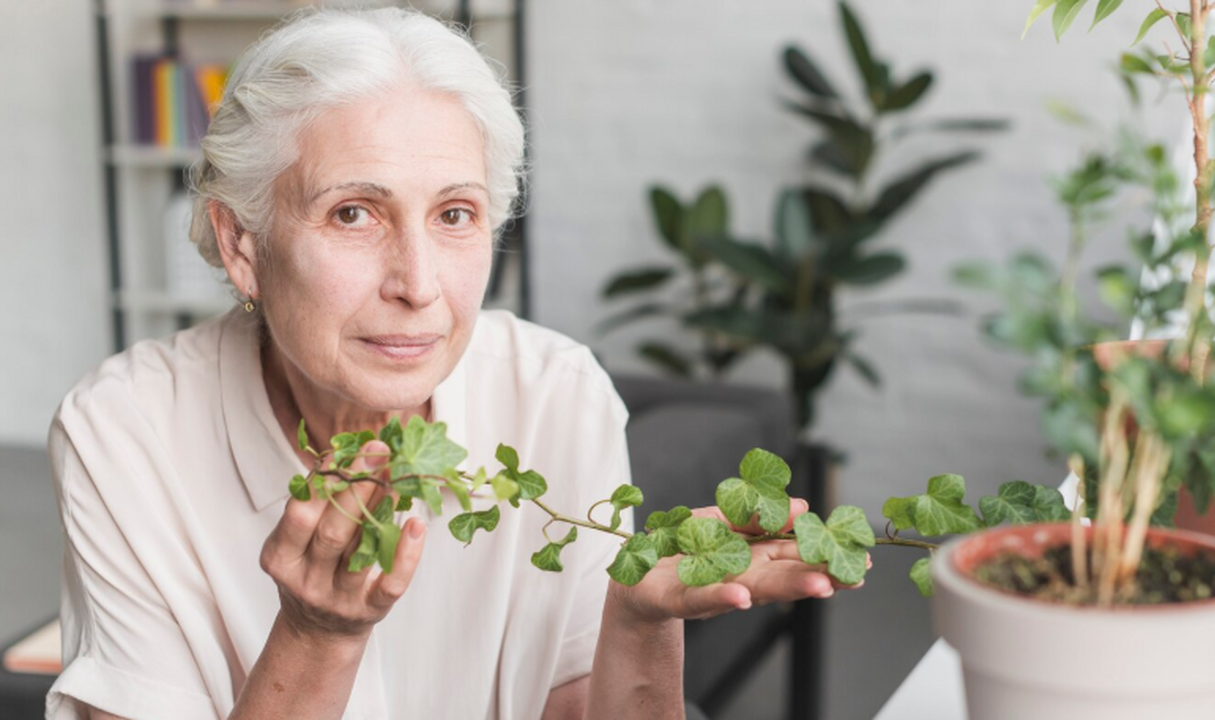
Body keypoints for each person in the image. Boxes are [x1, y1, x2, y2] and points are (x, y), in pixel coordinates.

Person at [47, 8, 860, 719]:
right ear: (241, 244)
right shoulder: (124, 433)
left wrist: (641, 625)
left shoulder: (557, 396)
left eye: (456, 213)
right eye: (354, 212)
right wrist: (315, 638)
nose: (419, 285)